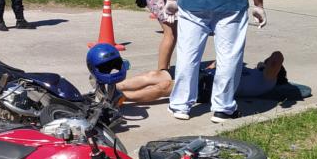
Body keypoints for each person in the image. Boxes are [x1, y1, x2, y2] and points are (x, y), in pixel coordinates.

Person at [118, 51, 286, 104]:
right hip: (205, 74)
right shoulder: (253, 71)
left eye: (268, 61)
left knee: (165, 87)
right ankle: (115, 86)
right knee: (155, 75)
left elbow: (278, 56)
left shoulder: (267, 81)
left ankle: (121, 98)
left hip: (210, 87)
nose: (266, 60)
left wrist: (266, 65)